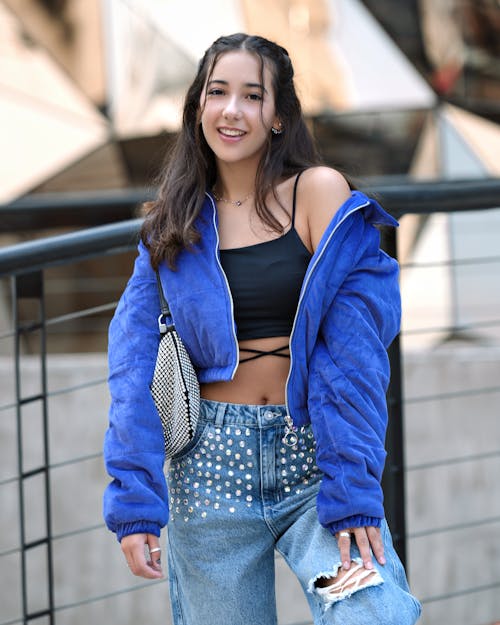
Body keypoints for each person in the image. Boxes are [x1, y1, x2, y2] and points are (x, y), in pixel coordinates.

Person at [103, 32, 421, 625]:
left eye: (253, 96)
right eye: (217, 92)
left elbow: (356, 348)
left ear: (277, 115)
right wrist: (135, 505)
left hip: (313, 462)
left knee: (370, 614)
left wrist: (351, 486)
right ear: (198, 106)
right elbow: (132, 363)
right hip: (210, 473)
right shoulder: (172, 225)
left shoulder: (317, 192)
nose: (232, 110)